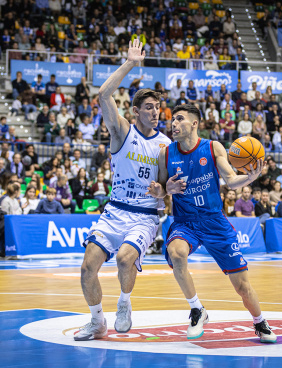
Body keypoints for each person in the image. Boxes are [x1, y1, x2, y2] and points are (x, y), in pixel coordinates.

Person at [147, 104, 276, 342]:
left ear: (194, 123)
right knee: (176, 253)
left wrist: (250, 177)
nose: (173, 124)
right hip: (185, 222)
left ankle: (259, 321)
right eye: (172, 120)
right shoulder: (165, 154)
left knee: (242, 287)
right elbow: (160, 189)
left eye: (179, 119)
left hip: (215, 221)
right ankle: (197, 309)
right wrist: (164, 189)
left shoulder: (212, 147)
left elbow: (229, 179)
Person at [74, 39, 171, 341]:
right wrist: (130, 63)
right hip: (115, 210)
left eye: (158, 107)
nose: (156, 112)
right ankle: (96, 321)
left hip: (144, 215)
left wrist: (161, 192)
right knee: (88, 266)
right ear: (136, 110)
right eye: (149, 107)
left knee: (124, 258)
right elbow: (103, 94)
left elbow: (167, 190)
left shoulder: (165, 145)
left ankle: (125, 304)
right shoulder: (122, 130)